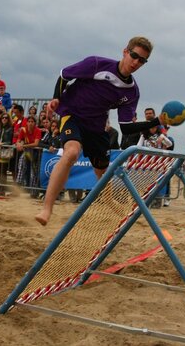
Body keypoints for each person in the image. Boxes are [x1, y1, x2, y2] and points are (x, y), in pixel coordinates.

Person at [35, 36, 167, 226]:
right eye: (134, 56)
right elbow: (64, 75)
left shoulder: (131, 92)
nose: (136, 62)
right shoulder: (96, 64)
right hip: (72, 114)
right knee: (71, 153)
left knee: (102, 170)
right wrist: (56, 98)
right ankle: (46, 208)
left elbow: (126, 127)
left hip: (96, 127)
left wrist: (155, 121)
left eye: (142, 60)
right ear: (125, 51)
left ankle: (108, 201)